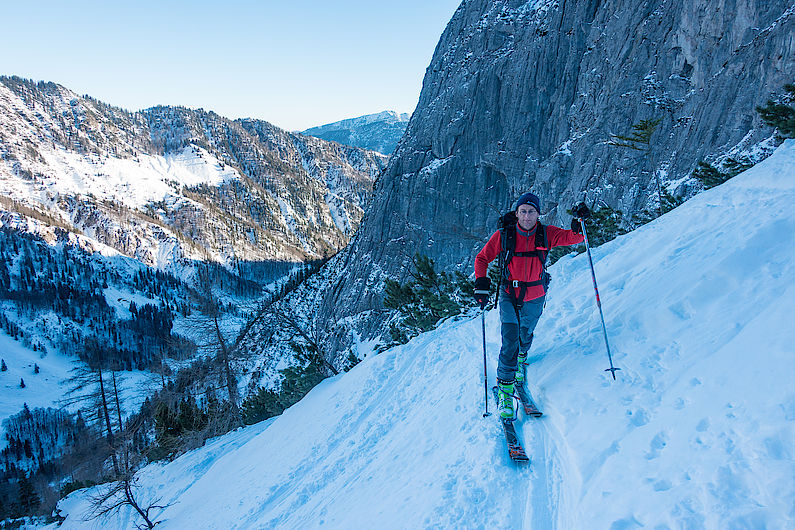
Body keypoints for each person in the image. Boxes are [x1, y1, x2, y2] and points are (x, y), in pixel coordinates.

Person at [473, 192, 591, 419]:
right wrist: (481, 283)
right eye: (523, 211)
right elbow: (482, 258)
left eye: (532, 211)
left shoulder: (547, 234)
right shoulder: (504, 235)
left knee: (524, 335)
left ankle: (520, 360)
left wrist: (580, 223)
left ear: (539, 214)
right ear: (516, 213)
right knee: (510, 338)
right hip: (509, 292)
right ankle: (506, 390)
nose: (527, 216)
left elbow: (576, 238)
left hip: (536, 294)